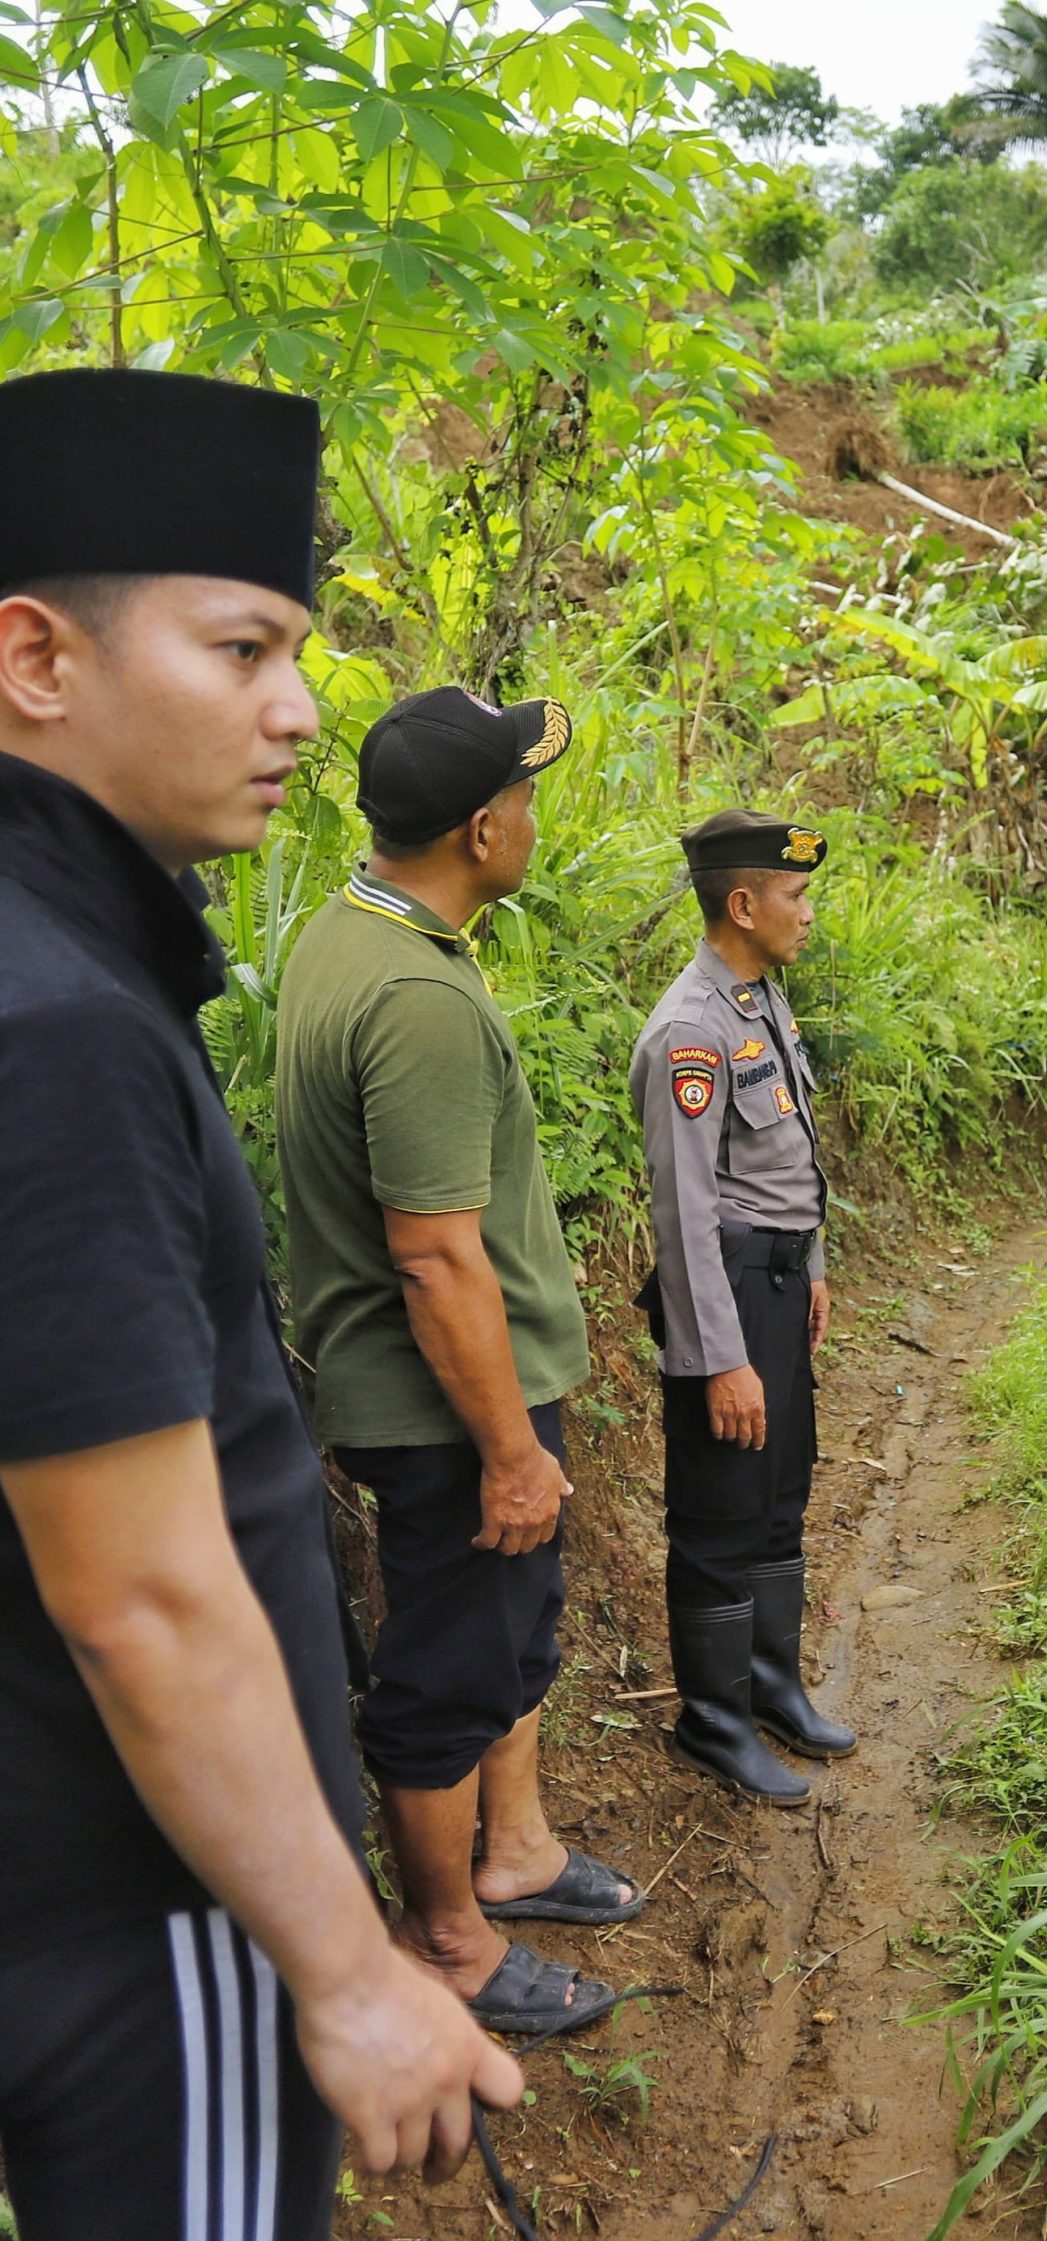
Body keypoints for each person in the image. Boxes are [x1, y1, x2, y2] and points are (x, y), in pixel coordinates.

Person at [0, 367, 519, 2238]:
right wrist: (350, 1966)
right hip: (140, 1909)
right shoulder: (55, 1024)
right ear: (37, 659)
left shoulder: (70, 959)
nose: (299, 710)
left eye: (296, 649)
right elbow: (140, 1590)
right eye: (241, 649)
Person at [274, 685, 637, 2037]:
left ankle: (518, 1851)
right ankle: (446, 1941)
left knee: (501, 1635)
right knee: (448, 1668)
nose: (536, 822)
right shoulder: (417, 999)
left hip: (437, 1392)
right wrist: (510, 1447)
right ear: (483, 828)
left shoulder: (351, 936)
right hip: (445, 1409)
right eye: (527, 802)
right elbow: (436, 1256)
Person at [633, 809, 853, 1809]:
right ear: (742, 902)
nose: (807, 912)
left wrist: (808, 1263)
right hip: (722, 1292)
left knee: (778, 1497)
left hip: (773, 1283)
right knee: (722, 1514)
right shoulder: (691, 1029)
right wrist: (718, 1359)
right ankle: (713, 1724)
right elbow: (684, 1216)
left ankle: (770, 1689)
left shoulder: (762, 1003)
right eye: (795, 895)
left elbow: (786, 1157)